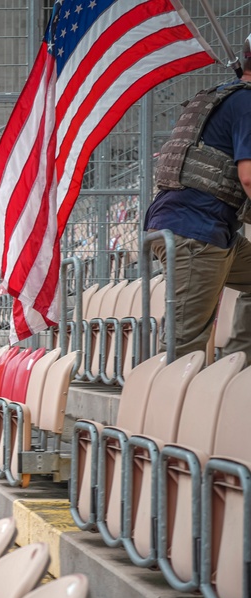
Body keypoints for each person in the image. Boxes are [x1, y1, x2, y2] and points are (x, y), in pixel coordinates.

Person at [144, 33, 251, 360]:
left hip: (195, 227)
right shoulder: (248, 102)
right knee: (184, 348)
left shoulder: (222, 96)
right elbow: (248, 177)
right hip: (195, 234)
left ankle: (234, 374)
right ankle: (164, 408)